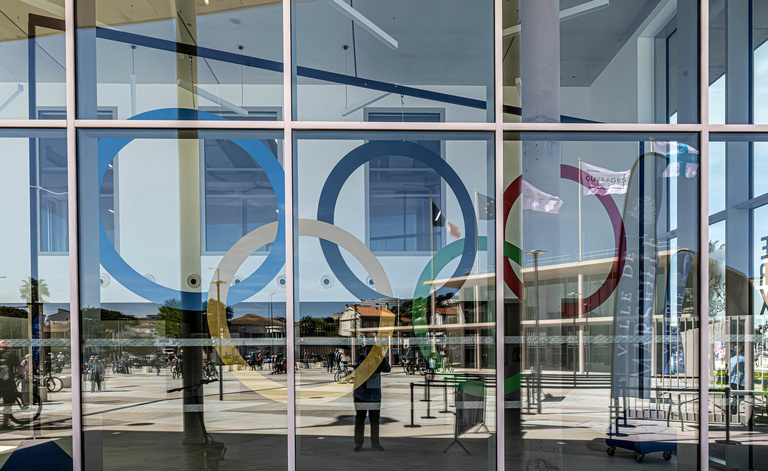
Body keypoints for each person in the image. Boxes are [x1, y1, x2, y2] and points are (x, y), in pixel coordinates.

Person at [352, 348, 390, 452]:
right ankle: (358, 443)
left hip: (374, 396)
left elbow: (387, 368)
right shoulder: (360, 359)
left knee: (375, 421)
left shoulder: (379, 359)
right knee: (360, 420)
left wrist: (382, 357)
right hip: (361, 395)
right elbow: (357, 368)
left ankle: (375, 444)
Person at [0, 341, 22, 430]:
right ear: (9, 347)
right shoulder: (12, 354)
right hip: (7, 382)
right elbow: (19, 367)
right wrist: (21, 374)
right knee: (8, 403)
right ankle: (5, 424)